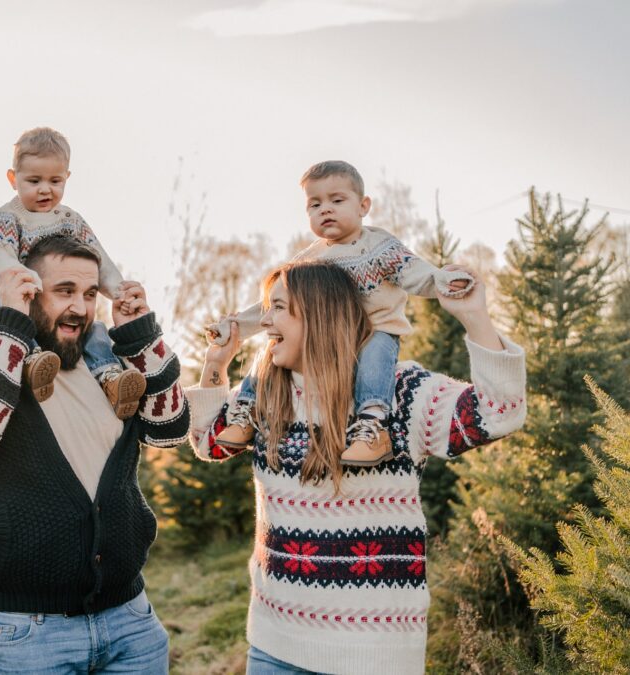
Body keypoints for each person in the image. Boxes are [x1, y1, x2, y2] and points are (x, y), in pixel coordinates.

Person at [188, 260, 526, 675]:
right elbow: (209, 444)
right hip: (275, 648)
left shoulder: (398, 393)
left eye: (277, 308)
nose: (266, 321)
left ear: (319, 314)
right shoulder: (264, 394)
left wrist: (474, 316)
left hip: (374, 656)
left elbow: (499, 414)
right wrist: (216, 364)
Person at [0, 235, 189, 673]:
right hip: (29, 634)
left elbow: (171, 428)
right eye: (64, 291)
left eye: (90, 294)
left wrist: (139, 331)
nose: (81, 308)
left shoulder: (107, 368)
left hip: (130, 620)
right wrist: (11, 321)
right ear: (26, 290)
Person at [207, 161, 473, 466]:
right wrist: (236, 324)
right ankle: (246, 412)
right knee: (272, 347)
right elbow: (274, 304)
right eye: (315, 204)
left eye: (337, 200)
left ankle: (372, 428)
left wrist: (441, 280)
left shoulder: (379, 246)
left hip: (375, 330)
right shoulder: (310, 259)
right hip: (329, 338)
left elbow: (415, 273)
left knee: (375, 356)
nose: (325, 210)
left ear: (363, 206)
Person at [0, 126, 146, 419]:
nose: (45, 189)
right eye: (34, 180)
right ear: (13, 179)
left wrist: (119, 289)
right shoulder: (9, 216)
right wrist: (17, 276)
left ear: (67, 178)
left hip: (56, 305)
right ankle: (31, 361)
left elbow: (98, 258)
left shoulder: (71, 221)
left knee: (95, 330)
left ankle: (109, 378)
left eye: (55, 180)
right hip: (10, 298)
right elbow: (0, 253)